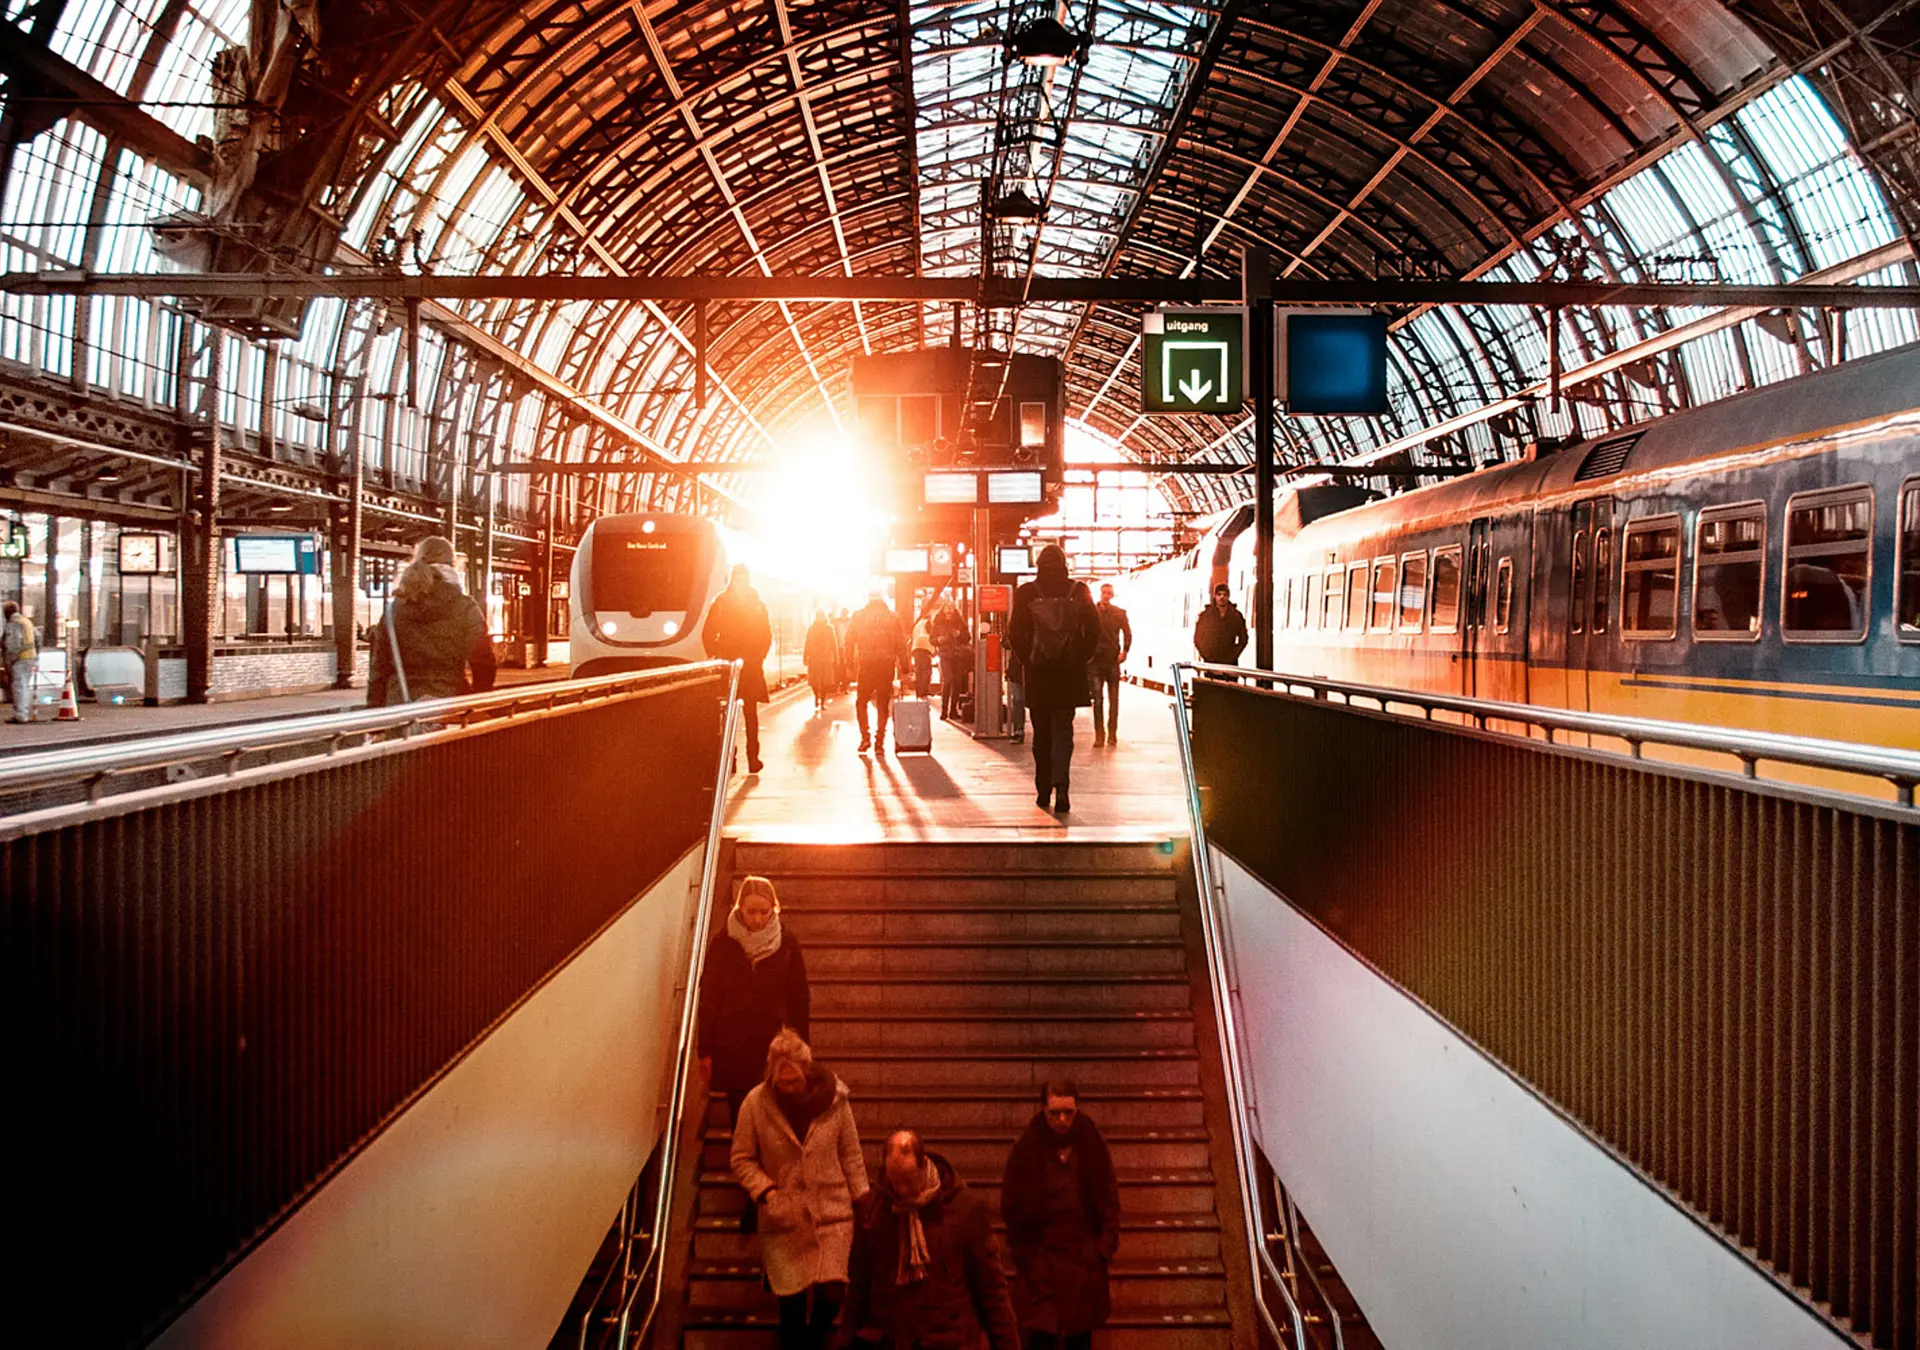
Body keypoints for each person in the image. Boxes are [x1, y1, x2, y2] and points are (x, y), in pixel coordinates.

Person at [732, 1029, 869, 1350]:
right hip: (785, 1217)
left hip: (831, 1214)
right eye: (783, 1083)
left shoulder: (836, 1100)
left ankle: (811, 1342)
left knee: (832, 1294)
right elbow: (742, 1158)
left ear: (807, 1073)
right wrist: (766, 1192)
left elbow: (850, 1153)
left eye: (795, 1082)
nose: (789, 1089)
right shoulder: (755, 1104)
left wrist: (861, 1197)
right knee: (790, 1306)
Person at [839, 1129, 1021, 1350]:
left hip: (947, 1339)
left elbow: (991, 1292)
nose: (902, 1190)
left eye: (908, 1180)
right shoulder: (873, 1212)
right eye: (895, 1181)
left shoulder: (964, 1209)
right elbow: (858, 1291)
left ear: (923, 1166)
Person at [1000, 1081, 1120, 1350]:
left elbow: (1109, 1195)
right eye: (1055, 1113)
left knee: (1079, 1338)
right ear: (1044, 1110)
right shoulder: (1027, 1148)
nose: (1062, 1120)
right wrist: (1026, 1255)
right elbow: (1011, 1204)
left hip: (1083, 1260)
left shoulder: (1091, 1144)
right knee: (1042, 1337)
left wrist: (1103, 1247)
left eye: (1068, 1112)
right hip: (1042, 1262)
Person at [1008, 546, 1098, 815]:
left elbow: (1015, 633)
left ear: (1039, 564)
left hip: (1039, 677)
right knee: (1063, 732)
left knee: (1041, 735)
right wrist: (1078, 657)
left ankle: (1043, 790)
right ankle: (1063, 791)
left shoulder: (1027, 592)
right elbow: (1094, 631)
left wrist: (1029, 660)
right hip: (1068, 677)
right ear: (1064, 564)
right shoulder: (1078, 591)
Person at [367, 536, 496, 706]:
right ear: (453, 565)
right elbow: (482, 660)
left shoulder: (393, 611)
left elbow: (379, 669)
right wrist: (477, 698)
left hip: (400, 709)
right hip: (450, 707)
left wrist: (376, 715)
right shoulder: (465, 607)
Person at [703, 563, 773, 774]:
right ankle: (735, 758)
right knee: (735, 713)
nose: (742, 583)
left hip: (744, 665)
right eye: (739, 579)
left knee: (744, 712)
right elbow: (708, 633)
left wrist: (718, 654)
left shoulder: (729, 602)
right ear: (734, 580)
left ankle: (750, 757)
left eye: (744, 579)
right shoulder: (747, 604)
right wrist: (719, 658)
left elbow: (766, 635)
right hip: (735, 665)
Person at [846, 593, 906, 754]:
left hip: (866, 665)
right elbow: (901, 643)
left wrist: (849, 662)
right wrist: (906, 667)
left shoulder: (858, 616)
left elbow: (849, 640)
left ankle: (865, 738)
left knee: (861, 702)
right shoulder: (893, 617)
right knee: (882, 703)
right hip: (886, 665)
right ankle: (879, 741)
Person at [1088, 584, 1131, 747]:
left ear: (1112, 596)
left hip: (1112, 661)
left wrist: (1125, 651)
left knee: (1114, 700)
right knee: (1097, 700)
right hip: (1095, 662)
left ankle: (1112, 733)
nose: (1106, 596)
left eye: (1109, 594)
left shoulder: (1119, 613)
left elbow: (1128, 633)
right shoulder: (1091, 612)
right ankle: (1100, 735)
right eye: (1104, 593)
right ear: (1100, 594)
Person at [1192, 583, 1249, 667]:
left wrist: (1233, 655)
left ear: (1228, 596)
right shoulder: (1206, 615)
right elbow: (1198, 638)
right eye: (1219, 594)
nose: (1222, 597)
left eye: (1225, 594)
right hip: (1210, 663)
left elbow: (1243, 639)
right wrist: (1206, 656)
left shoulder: (1236, 616)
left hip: (1230, 664)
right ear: (1215, 596)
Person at [3, 600, 39, 724]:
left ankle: (21, 715)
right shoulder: (26, 621)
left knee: (19, 687)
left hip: (20, 658)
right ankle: (23, 713)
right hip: (30, 657)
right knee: (24, 686)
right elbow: (38, 637)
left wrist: (10, 660)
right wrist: (36, 655)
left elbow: (13, 644)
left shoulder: (13, 623)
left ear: (7, 612)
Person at [805, 610, 840, 713]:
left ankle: (818, 698)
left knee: (816, 680)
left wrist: (805, 656)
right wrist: (836, 657)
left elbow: (807, 643)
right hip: (823, 658)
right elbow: (834, 644)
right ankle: (821, 701)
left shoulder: (812, 629)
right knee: (824, 681)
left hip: (817, 657)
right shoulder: (828, 628)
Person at [910, 607, 937, 701]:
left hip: (916, 648)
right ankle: (924, 691)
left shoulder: (918, 624)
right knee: (926, 670)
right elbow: (932, 635)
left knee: (919, 671)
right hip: (925, 648)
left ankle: (919, 691)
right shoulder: (927, 623)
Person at [1004, 640, 1026, 746]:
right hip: (1017, 670)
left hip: (1030, 669)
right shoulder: (1015, 626)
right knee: (1018, 700)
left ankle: (1019, 730)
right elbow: (1005, 642)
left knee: (1020, 700)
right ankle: (1019, 730)